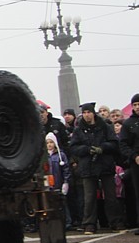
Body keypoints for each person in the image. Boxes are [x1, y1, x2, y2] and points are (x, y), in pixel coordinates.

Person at [69, 102, 126, 234]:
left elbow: (114, 144)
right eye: (84, 113)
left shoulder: (105, 127)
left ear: (93, 113)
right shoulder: (78, 130)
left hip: (105, 164)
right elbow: (73, 148)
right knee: (89, 197)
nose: (86, 115)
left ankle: (116, 222)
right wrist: (87, 150)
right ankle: (89, 224)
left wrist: (102, 148)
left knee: (111, 196)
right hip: (88, 166)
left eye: (88, 112)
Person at [119, 93, 139, 235]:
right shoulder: (128, 124)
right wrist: (134, 156)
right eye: (135, 105)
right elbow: (123, 144)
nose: (137, 107)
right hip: (136, 162)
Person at [45, 132, 72, 229]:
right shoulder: (44, 157)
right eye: (47, 143)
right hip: (48, 185)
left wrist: (65, 182)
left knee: (62, 204)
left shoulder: (61, 155)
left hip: (59, 184)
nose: (49, 145)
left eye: (51, 142)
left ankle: (67, 222)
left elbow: (66, 169)